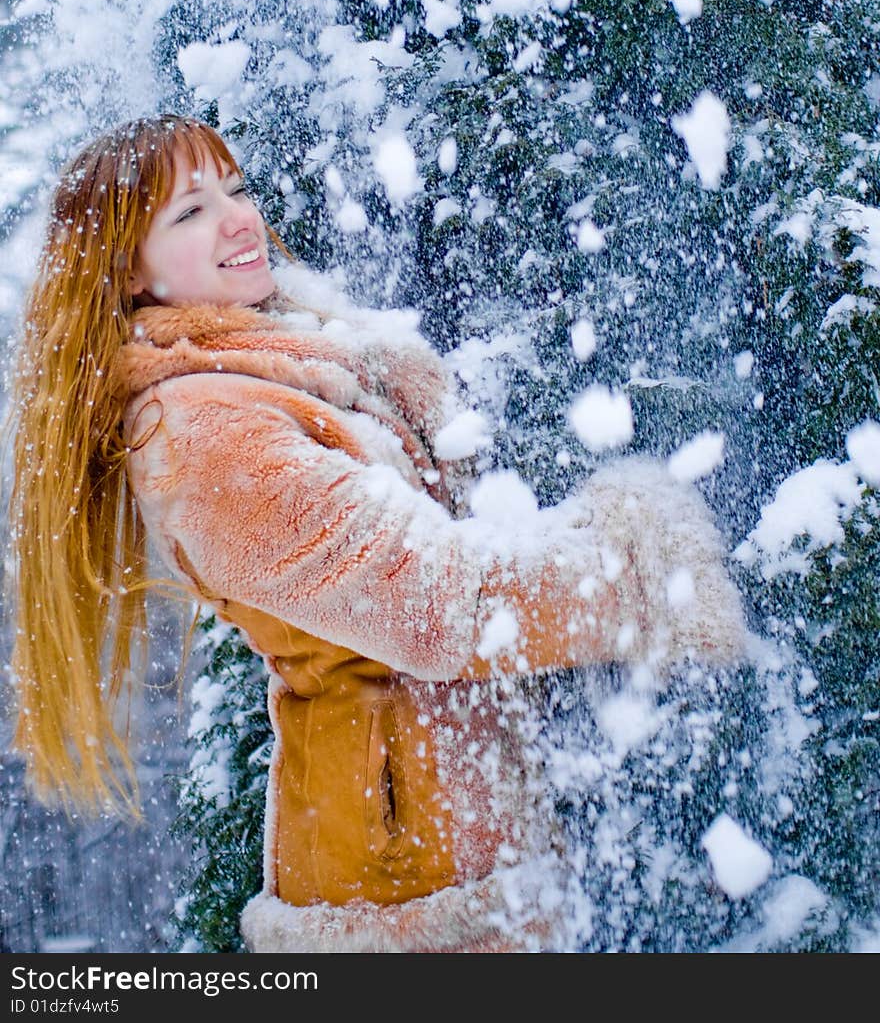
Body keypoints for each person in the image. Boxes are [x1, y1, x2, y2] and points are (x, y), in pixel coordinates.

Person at [6, 113, 748, 954]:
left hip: (455, 825)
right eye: (189, 213)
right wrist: (653, 572)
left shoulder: (286, 363)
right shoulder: (203, 433)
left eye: (237, 190)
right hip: (395, 882)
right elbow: (441, 606)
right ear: (128, 274)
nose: (240, 219)